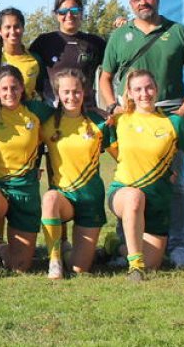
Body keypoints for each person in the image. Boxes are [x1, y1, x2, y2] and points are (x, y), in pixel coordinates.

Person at [99, 0, 184, 268]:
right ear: (130, 4)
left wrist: (182, 110)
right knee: (131, 180)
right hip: (132, 114)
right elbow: (105, 77)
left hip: (167, 114)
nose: (143, 2)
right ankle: (124, 242)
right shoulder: (121, 35)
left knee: (175, 183)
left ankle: (179, 243)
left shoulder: (178, 31)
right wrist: (113, 108)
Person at [105, 69, 184, 281]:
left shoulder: (173, 123)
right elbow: (105, 146)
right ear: (129, 92)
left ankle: (115, 245)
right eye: (137, 89)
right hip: (123, 192)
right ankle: (135, 267)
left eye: (148, 87)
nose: (144, 93)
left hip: (157, 200)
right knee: (134, 197)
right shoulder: (120, 120)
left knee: (153, 263)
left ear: (157, 89)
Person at [0, 65, 52, 276]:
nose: (10, 93)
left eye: (14, 88)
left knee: (20, 266)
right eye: (4, 88)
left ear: (22, 88)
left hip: (26, 190)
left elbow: (68, 115)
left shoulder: (35, 111)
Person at [40, 69, 109, 279]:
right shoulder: (47, 122)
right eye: (66, 92)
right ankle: (54, 260)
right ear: (58, 94)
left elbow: (122, 152)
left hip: (91, 199)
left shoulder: (100, 121)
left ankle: (107, 246)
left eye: (76, 91)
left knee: (80, 268)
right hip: (64, 197)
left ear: (84, 92)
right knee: (50, 198)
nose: (72, 97)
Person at [29, 0, 106, 106]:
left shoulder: (95, 43)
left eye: (74, 11)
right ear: (56, 15)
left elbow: (116, 66)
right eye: (63, 12)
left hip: (86, 112)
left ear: (81, 13)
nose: (69, 15)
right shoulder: (43, 42)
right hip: (54, 114)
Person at [0, 7, 44, 100]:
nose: (12, 32)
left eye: (16, 27)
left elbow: (44, 94)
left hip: (25, 114)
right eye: (7, 27)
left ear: (23, 28)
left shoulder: (35, 60)